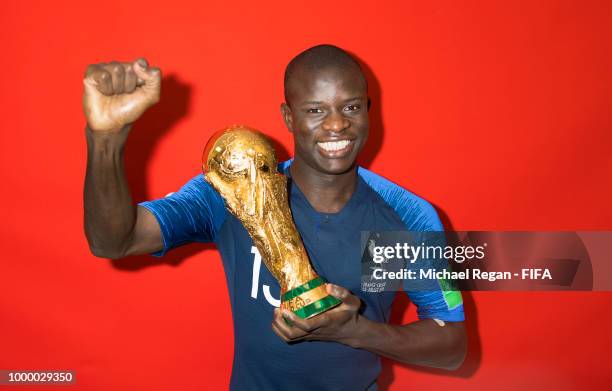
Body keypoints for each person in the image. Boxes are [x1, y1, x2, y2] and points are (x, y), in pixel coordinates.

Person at [83, 44, 466, 390]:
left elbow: (452, 346)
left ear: (368, 109)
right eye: (315, 110)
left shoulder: (404, 217)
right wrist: (106, 141)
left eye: (350, 107)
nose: (336, 124)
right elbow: (114, 241)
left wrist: (354, 331)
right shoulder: (234, 189)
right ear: (288, 117)